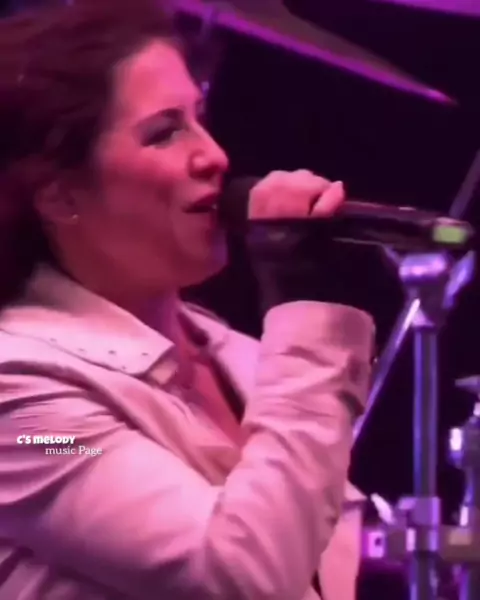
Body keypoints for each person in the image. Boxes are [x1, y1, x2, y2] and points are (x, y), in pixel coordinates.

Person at [0, 1, 375, 599]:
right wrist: (308, 315)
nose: (215, 156)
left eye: (199, 118)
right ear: (59, 194)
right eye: (165, 132)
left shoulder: (243, 358)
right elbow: (243, 577)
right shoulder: (20, 412)